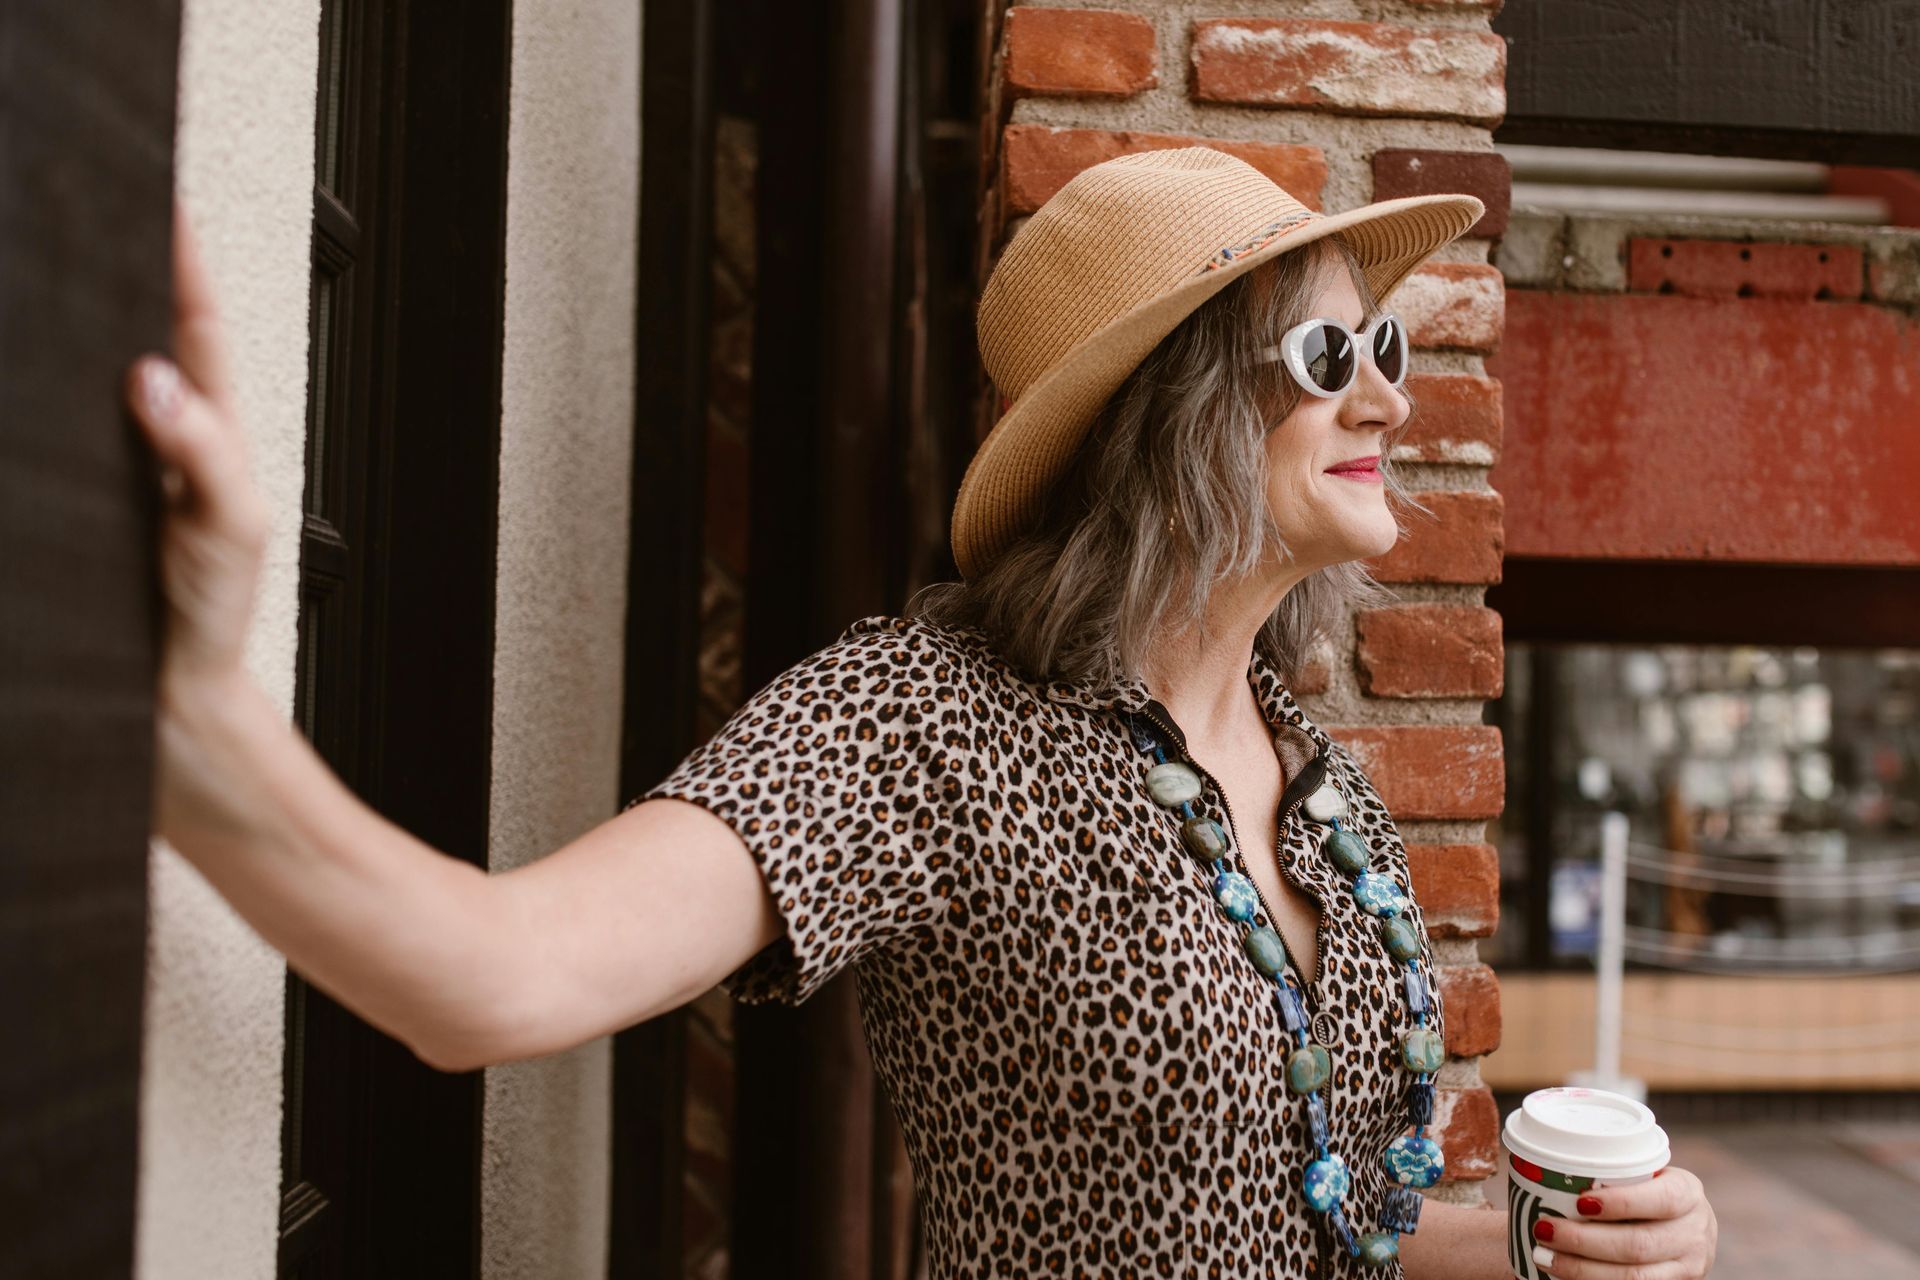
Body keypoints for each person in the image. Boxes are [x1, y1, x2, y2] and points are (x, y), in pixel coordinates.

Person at [130, 149, 1717, 1278]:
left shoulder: (1327, 794)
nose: (1388, 394)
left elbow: (1336, 1231)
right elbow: (488, 977)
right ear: (1165, 411)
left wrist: (1548, 1249)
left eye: (1383, 347)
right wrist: (196, 720)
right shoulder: (925, 724)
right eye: (1325, 351)